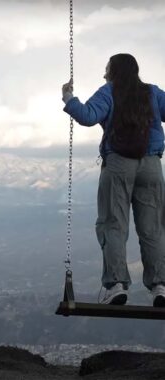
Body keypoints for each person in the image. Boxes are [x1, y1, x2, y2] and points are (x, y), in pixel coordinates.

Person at [62, 53, 165, 307]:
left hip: (118, 164)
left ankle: (117, 285)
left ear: (114, 72)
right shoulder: (151, 93)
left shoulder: (109, 91)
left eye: (107, 69)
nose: (104, 74)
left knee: (113, 224)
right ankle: (160, 286)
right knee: (153, 229)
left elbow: (87, 116)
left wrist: (68, 97)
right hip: (151, 164)